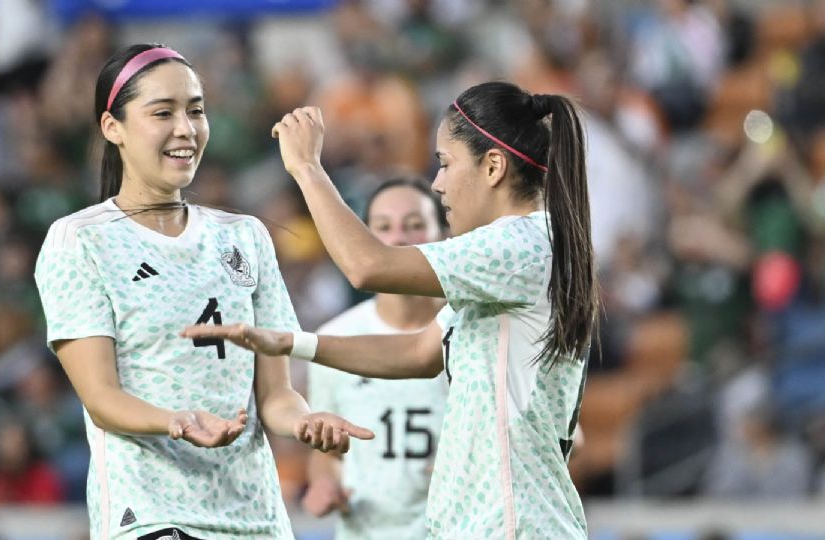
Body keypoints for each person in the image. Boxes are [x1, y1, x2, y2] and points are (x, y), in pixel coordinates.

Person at [182, 82, 598, 538]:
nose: (438, 182)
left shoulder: (517, 244)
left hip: (514, 526)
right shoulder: (515, 255)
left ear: (494, 166)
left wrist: (306, 168)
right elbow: (419, 352)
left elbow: (367, 265)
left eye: (444, 163)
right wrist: (289, 342)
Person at [34, 43, 373, 540]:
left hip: (255, 517)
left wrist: (303, 422)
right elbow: (102, 398)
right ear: (114, 129)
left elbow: (275, 395)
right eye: (162, 112)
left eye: (196, 110)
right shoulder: (81, 240)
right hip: (151, 514)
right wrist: (179, 420)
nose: (185, 129)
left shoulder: (246, 236)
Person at [302, 177, 448, 539]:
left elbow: (564, 440)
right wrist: (324, 486)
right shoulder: (335, 340)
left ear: (444, 235)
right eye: (383, 227)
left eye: (414, 225)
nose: (398, 239)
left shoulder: (476, 327)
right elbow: (326, 453)